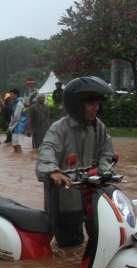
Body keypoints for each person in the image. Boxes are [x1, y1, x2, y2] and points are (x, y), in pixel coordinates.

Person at [36, 76, 115, 251]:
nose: (96, 107)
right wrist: (53, 171)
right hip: (65, 194)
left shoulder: (98, 126)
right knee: (70, 245)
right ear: (76, 105)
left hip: (92, 191)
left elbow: (107, 152)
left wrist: (105, 170)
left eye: (97, 103)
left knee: (101, 237)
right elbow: (46, 149)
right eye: (90, 104)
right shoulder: (59, 128)